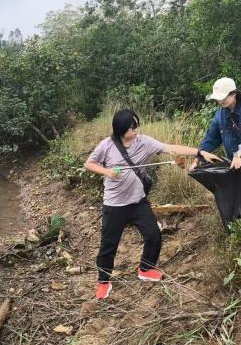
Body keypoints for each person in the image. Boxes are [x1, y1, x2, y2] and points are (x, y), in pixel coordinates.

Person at [84, 109, 220, 300]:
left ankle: (146, 269)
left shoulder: (144, 142)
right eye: (133, 128)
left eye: (137, 126)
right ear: (122, 129)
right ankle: (103, 281)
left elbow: (170, 147)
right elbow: (89, 164)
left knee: (153, 235)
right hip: (114, 205)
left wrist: (200, 152)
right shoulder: (107, 145)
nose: (137, 130)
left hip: (138, 202)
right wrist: (107, 172)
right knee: (109, 245)